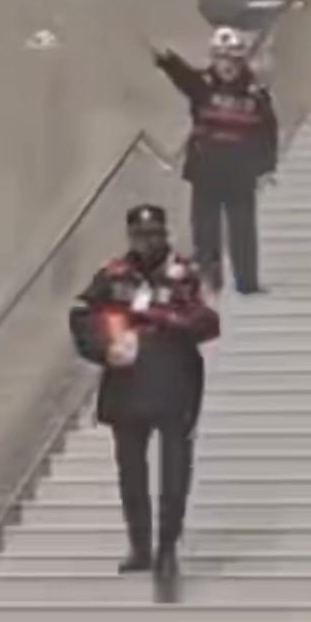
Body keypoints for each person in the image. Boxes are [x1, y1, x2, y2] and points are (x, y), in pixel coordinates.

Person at [69, 204, 219, 601]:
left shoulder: (184, 273)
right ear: (131, 236)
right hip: (127, 383)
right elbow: (83, 316)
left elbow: (207, 322)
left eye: (154, 234)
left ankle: (167, 547)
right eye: (140, 235)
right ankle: (140, 545)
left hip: (174, 380)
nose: (148, 241)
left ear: (165, 234)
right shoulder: (114, 275)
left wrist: (160, 318)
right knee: (131, 471)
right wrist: (104, 348)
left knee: (174, 471)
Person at [153, 28, 278, 296]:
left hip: (240, 173)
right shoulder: (203, 85)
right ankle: (210, 282)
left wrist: (267, 167)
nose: (227, 65)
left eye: (233, 59)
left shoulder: (255, 93)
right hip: (206, 171)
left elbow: (268, 131)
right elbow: (182, 76)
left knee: (242, 230)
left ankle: (247, 283)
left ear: (241, 61)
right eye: (222, 59)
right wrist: (166, 60)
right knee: (205, 231)